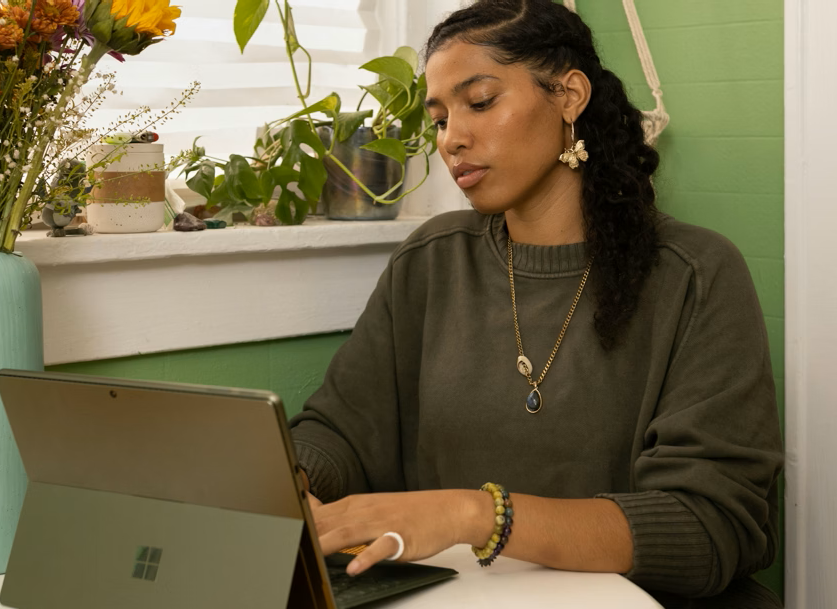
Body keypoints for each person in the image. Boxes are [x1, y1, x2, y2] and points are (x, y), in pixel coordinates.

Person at [288, 1, 784, 607]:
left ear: (568, 96)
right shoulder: (431, 260)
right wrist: (289, 479)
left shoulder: (695, 274)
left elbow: (711, 525)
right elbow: (341, 429)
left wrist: (476, 516)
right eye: (439, 119)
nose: (452, 139)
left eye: (480, 102)